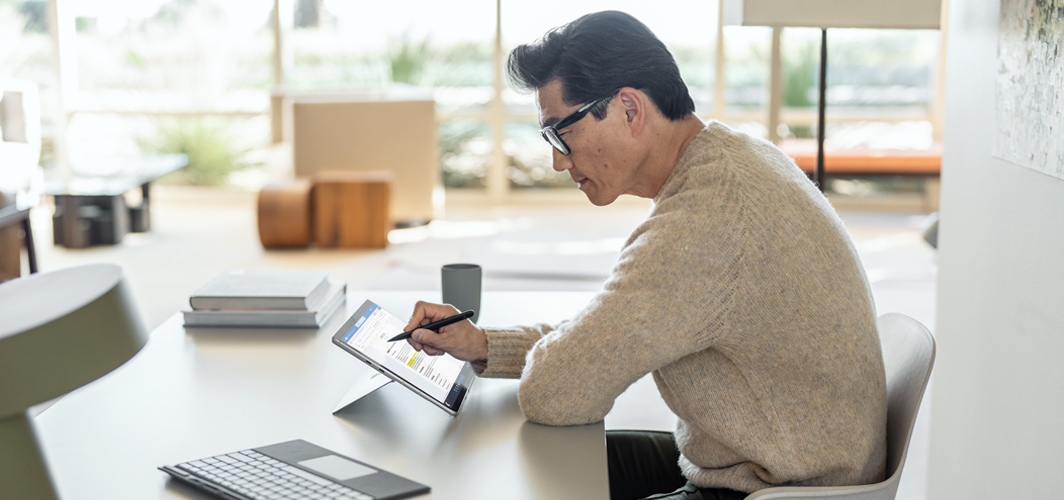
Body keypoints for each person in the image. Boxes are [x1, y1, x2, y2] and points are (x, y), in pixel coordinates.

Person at [404, 11, 887, 500]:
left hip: (778, 491)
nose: (556, 159)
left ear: (629, 109)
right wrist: (484, 343)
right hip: (770, 462)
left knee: (527, 469)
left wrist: (549, 363)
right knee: (537, 457)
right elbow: (601, 337)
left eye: (559, 132)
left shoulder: (703, 221)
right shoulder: (735, 158)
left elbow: (558, 392)